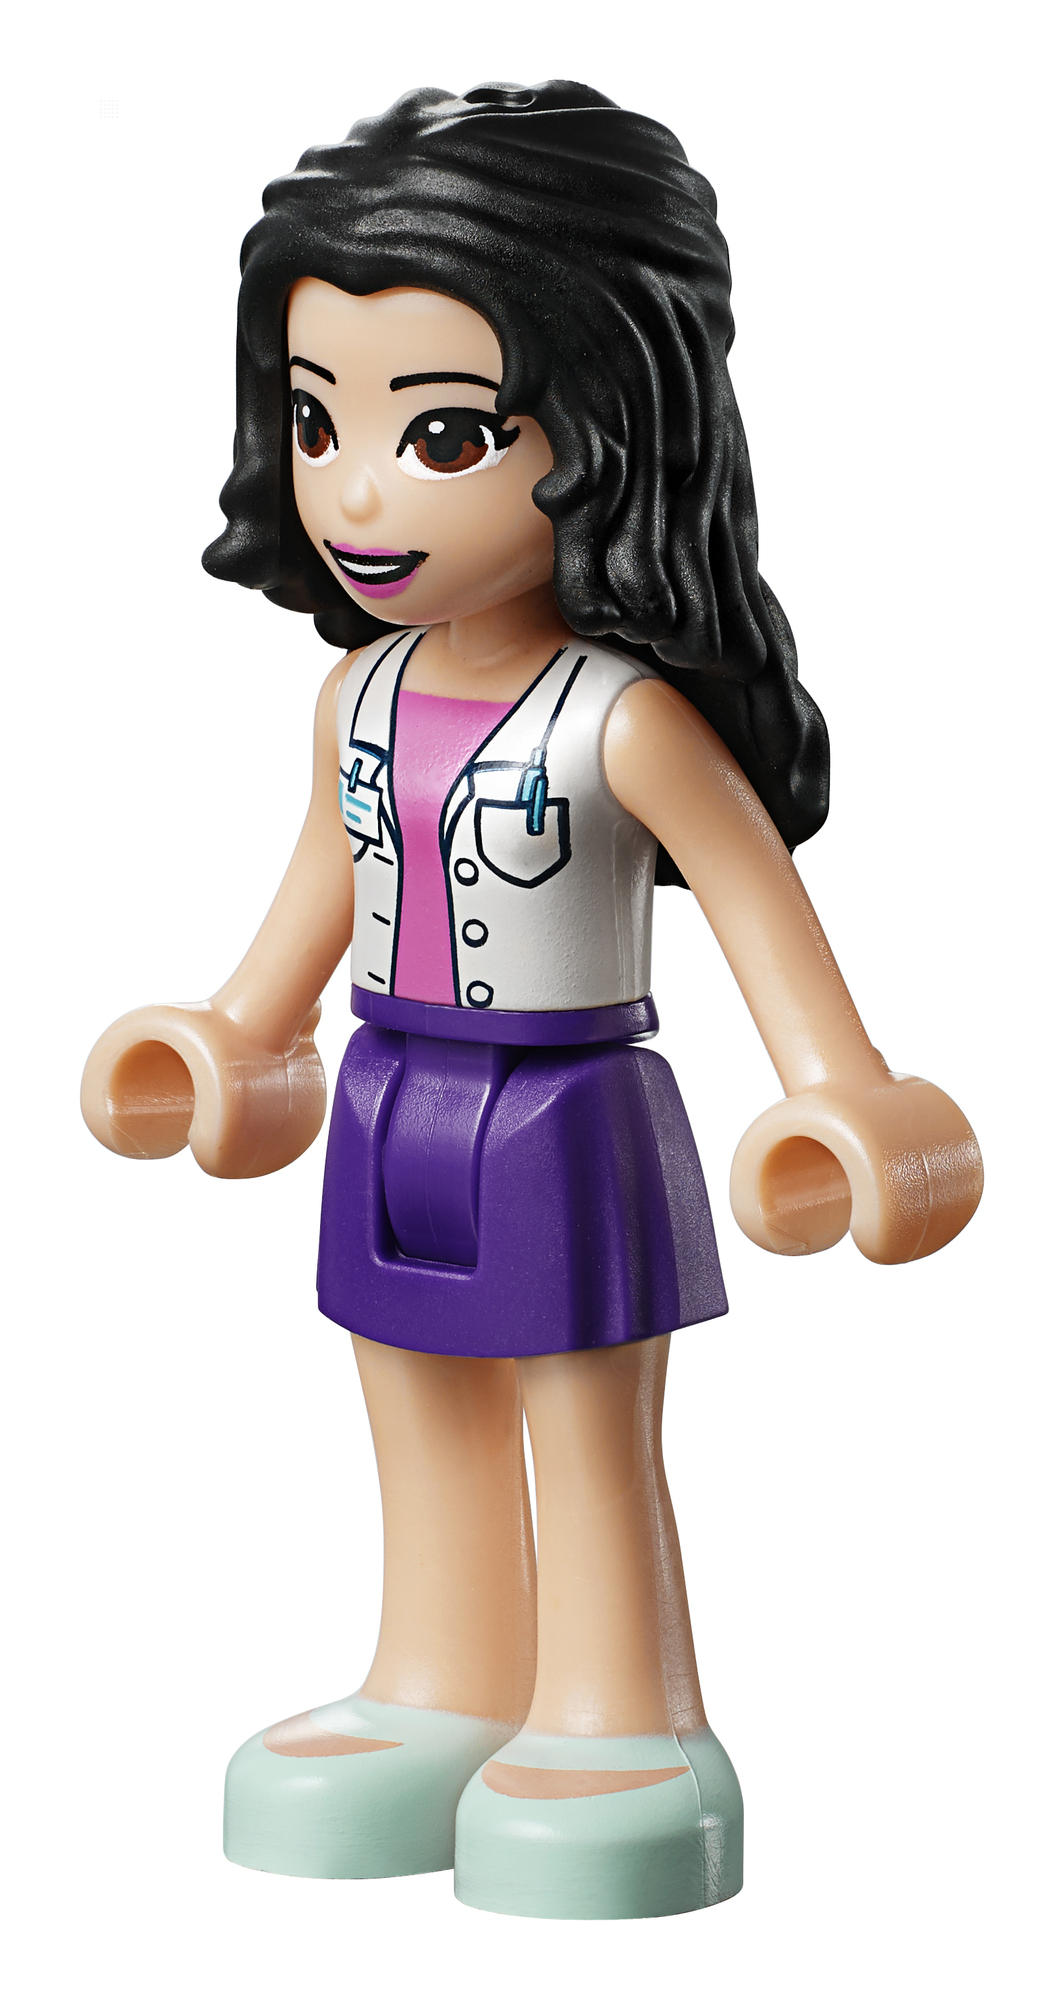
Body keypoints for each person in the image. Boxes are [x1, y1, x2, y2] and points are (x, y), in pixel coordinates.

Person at [81, 82, 983, 1920]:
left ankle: (624, 1712)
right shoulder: (355, 697)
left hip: (564, 1109)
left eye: (445, 433)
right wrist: (234, 1037)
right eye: (317, 419)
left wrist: (845, 1094)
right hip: (391, 1093)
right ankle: (439, 1679)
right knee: (410, 1400)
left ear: (611, 430)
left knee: (581, 1418)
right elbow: (316, 897)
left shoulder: (622, 721)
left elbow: (760, 910)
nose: (355, 491)